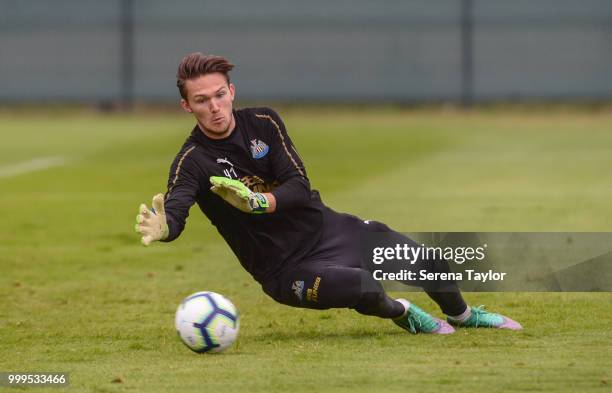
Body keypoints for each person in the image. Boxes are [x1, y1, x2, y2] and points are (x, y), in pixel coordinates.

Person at [135, 52, 522, 334]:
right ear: (187, 106)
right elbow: (177, 210)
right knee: (362, 286)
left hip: (329, 232)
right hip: (285, 270)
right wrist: (166, 226)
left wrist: (260, 202)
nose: (215, 107)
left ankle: (464, 316)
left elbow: (299, 188)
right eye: (202, 100)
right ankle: (403, 313)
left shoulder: (264, 123)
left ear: (232, 91)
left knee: (428, 262)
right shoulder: (193, 161)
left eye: (220, 95)